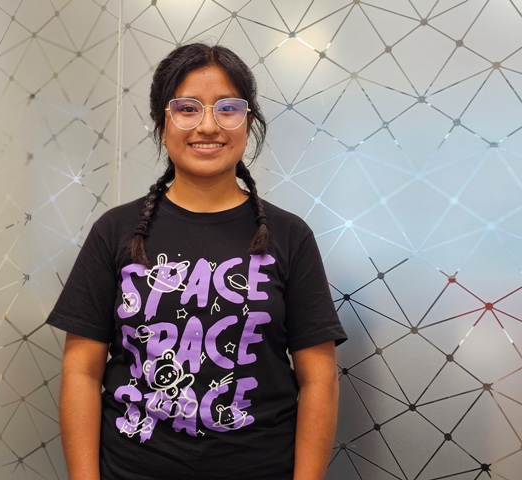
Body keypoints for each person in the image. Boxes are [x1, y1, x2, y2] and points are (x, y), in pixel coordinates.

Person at [47, 42, 347, 480]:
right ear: (161, 123)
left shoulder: (290, 236)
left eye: (228, 108)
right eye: (187, 109)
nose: (208, 125)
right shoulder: (114, 231)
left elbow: (319, 380)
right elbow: (81, 373)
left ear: (248, 122)